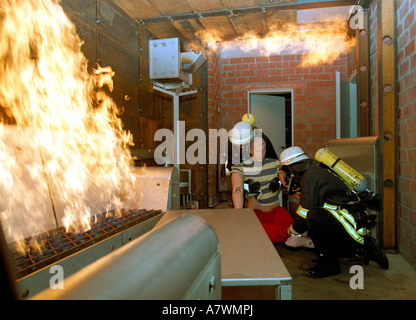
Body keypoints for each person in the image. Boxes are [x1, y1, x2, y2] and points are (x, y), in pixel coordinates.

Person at [278, 146, 389, 278]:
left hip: (351, 226)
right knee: (316, 216)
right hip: (353, 221)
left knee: (314, 215)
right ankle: (361, 248)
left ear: (290, 168)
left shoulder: (310, 176)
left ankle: (329, 264)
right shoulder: (316, 169)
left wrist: (292, 231)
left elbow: (305, 212)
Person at [230, 127, 293, 244]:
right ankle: (289, 234)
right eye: (257, 148)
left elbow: (285, 178)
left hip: (276, 211)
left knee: (294, 226)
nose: (261, 151)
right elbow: (237, 189)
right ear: (250, 150)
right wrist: (238, 214)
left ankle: (290, 233)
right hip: (256, 213)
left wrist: (280, 182)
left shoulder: (275, 164)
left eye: (263, 147)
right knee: (258, 231)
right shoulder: (240, 167)